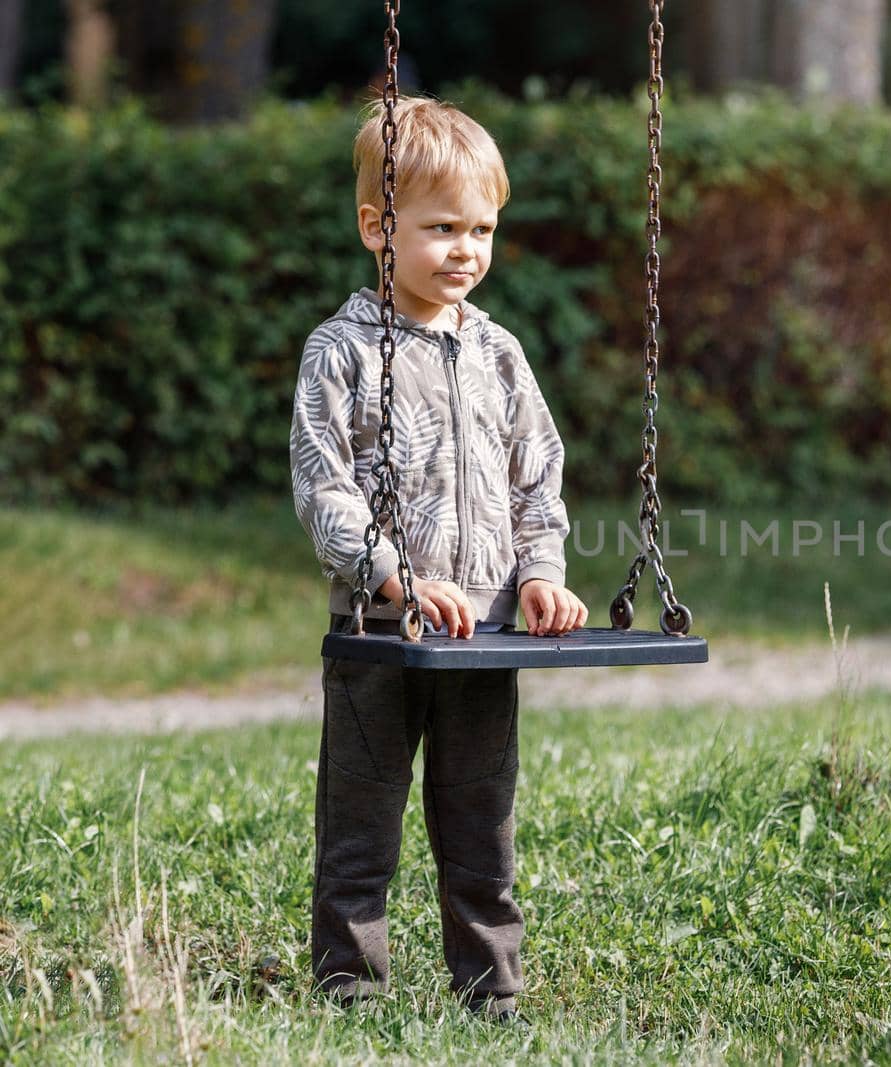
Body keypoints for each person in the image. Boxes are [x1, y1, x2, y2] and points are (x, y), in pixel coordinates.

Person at [288, 94, 588, 1021]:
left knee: (481, 824)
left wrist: (541, 571)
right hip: (381, 632)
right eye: (442, 227)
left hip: (486, 633)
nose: (466, 249)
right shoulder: (341, 352)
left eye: (483, 228)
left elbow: (538, 472)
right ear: (379, 226)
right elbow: (321, 485)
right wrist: (391, 571)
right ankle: (350, 988)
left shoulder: (498, 353)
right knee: (360, 825)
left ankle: (492, 989)